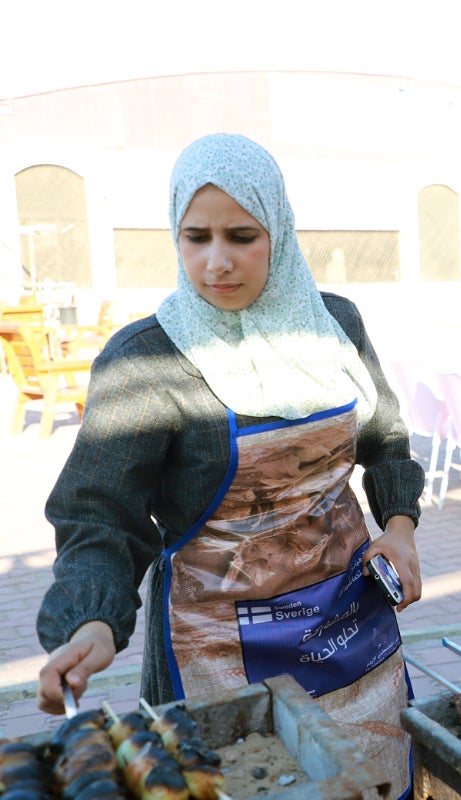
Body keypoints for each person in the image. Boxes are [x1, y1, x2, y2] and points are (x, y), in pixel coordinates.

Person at [35, 133, 425, 796]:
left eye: (242, 235)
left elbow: (385, 438)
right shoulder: (148, 361)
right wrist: (93, 619)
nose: (217, 262)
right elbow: (98, 515)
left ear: (278, 228)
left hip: (349, 636)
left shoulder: (334, 325)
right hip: (221, 658)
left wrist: (401, 527)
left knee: (372, 784)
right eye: (196, 237)